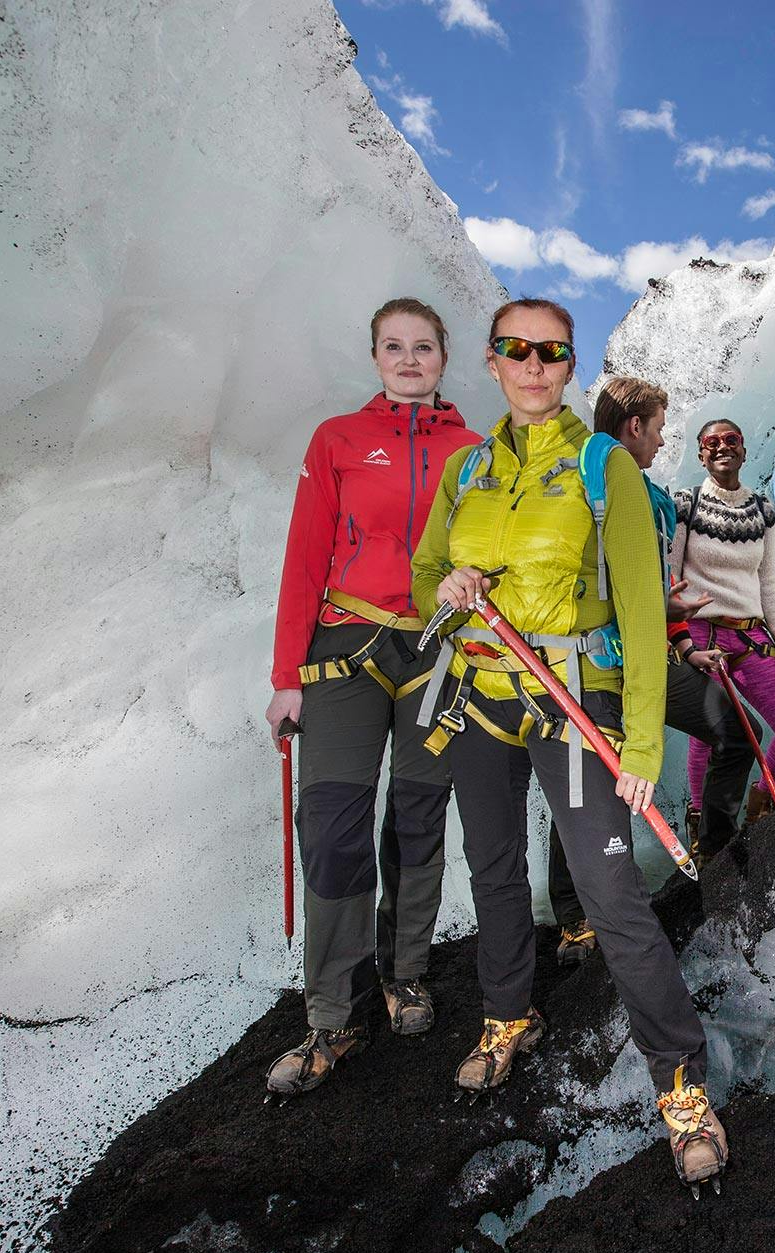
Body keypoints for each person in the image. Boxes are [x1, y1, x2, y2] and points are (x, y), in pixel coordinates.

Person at [412, 299, 727, 1191]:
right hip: (481, 693)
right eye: (518, 349)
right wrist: (452, 581)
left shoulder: (602, 467)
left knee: (608, 884)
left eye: (552, 351)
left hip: (570, 698)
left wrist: (640, 745)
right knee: (497, 866)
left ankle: (679, 1078)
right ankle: (509, 1011)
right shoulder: (469, 469)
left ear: (569, 364)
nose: (535, 364)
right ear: (494, 359)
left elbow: (639, 604)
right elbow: (425, 573)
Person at [262, 297, 480, 1097]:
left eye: (424, 346)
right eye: (395, 346)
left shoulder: (473, 450)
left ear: (444, 356)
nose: (410, 358)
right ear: (377, 356)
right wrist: (286, 676)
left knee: (419, 817)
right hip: (345, 649)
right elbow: (305, 554)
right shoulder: (340, 441)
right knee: (333, 826)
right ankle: (330, 1011)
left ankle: (407, 974)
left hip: (435, 651)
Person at [545, 378, 754, 966]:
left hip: (655, 661)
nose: (663, 441)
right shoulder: (586, 481)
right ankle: (572, 916)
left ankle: (711, 850)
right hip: (604, 662)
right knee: (585, 785)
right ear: (634, 425)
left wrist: (684, 641)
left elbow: (654, 591)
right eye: (658, 428)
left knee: (736, 733)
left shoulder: (655, 499)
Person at [671, 421, 775, 820]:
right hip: (700, 633)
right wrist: (678, 638)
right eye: (711, 442)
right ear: (700, 454)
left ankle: (761, 803)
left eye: (731, 439)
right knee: (710, 736)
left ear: (744, 451)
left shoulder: (763, 510)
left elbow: (768, 580)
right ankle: (701, 819)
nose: (721, 447)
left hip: (751, 638)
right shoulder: (687, 503)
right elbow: (671, 572)